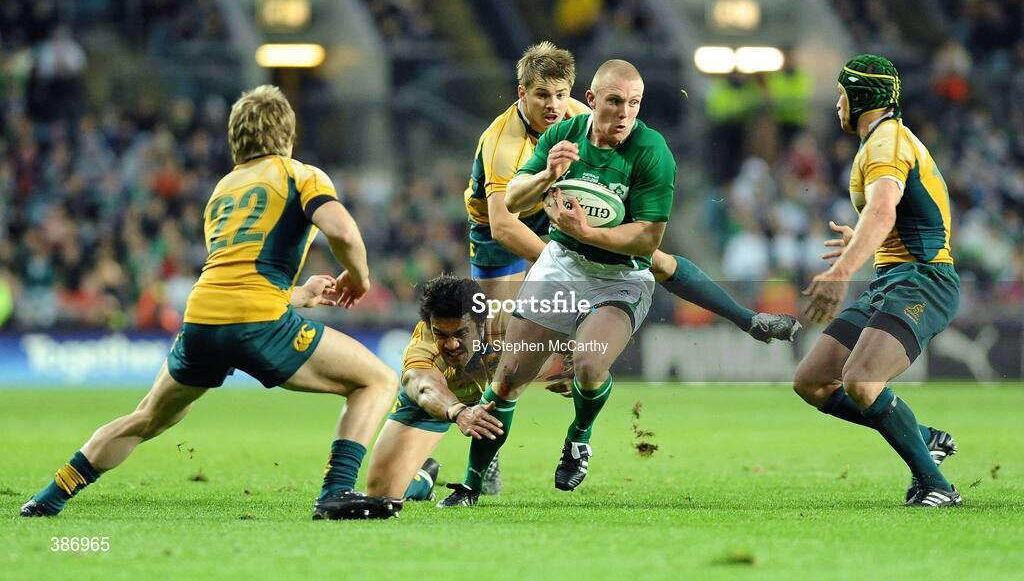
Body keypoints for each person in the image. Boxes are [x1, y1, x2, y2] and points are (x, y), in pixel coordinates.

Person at [20, 85, 402, 520]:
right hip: (258, 322)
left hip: (201, 319)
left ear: (235, 138)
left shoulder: (223, 191)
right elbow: (344, 232)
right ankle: (336, 491)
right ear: (288, 136)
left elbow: (235, 275)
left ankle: (49, 497)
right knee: (377, 380)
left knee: (149, 416)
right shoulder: (300, 174)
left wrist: (299, 294)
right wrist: (359, 277)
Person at [441, 60, 673, 506]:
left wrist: (586, 236)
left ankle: (579, 437)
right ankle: (473, 481)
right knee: (504, 374)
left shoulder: (648, 148)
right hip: (530, 253)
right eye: (615, 102)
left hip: (611, 270)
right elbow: (508, 210)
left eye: (634, 103)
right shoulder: (532, 138)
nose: (624, 113)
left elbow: (648, 238)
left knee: (587, 363)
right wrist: (548, 177)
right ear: (592, 100)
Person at [794, 55, 961, 507]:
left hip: (923, 280)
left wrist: (841, 271)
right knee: (812, 380)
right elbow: (898, 217)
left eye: (842, 94)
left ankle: (937, 486)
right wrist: (864, 242)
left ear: (861, 97)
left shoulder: (886, 143)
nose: (837, 104)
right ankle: (924, 437)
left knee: (861, 381)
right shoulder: (882, 140)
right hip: (894, 276)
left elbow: (884, 210)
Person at [364, 275, 506, 501]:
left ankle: (487, 456)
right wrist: (458, 412)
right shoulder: (423, 344)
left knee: (502, 395)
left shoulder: (504, 326)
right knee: (381, 493)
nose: (451, 344)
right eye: (441, 334)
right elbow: (424, 387)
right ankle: (424, 479)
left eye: (461, 333)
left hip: (485, 395)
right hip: (439, 400)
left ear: (481, 323)